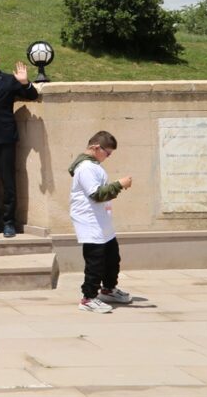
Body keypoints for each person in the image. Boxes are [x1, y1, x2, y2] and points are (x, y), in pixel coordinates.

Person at [0, 50, 39, 238]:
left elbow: (32, 95)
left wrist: (25, 82)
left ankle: (9, 222)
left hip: (4, 138)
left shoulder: (9, 80)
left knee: (8, 181)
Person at [69, 131, 133, 313]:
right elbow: (96, 194)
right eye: (108, 152)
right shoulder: (86, 168)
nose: (109, 156)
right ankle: (88, 298)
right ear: (96, 147)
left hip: (102, 221)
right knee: (95, 262)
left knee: (112, 258)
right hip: (90, 221)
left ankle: (108, 289)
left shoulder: (93, 166)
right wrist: (119, 184)